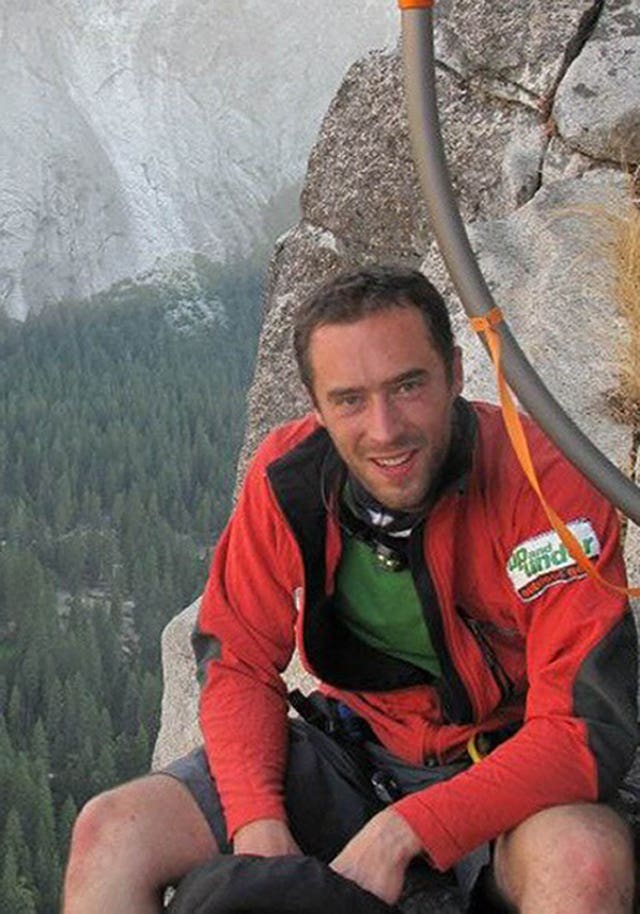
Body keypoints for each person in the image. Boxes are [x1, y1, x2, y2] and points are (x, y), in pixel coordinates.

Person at [62, 266, 638, 913]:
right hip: (355, 750)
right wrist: (257, 819)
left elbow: (584, 729)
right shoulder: (290, 481)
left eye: (409, 386)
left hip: (507, 764)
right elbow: (238, 657)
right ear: (317, 406)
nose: (386, 429)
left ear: (453, 373)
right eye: (350, 400)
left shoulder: (545, 486)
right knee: (110, 833)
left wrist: (406, 830)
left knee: (583, 862)